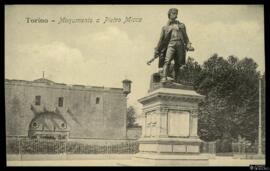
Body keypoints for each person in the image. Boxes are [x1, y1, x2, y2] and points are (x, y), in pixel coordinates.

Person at [151, 8, 194, 83]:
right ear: (169, 15)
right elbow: (161, 40)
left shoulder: (181, 25)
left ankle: (177, 78)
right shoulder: (165, 28)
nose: (175, 15)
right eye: (173, 13)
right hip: (171, 44)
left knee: (178, 63)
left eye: (176, 13)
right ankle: (164, 77)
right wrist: (157, 50)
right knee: (167, 61)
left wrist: (189, 45)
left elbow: (186, 37)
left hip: (180, 44)